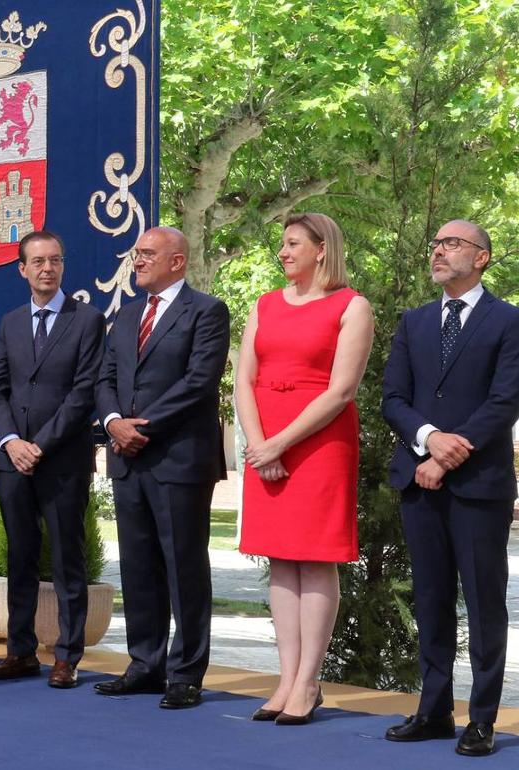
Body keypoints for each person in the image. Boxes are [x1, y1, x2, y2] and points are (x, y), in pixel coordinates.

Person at [381, 220, 519, 757]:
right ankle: (434, 710)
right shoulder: (413, 322)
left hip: (477, 486)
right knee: (431, 599)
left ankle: (482, 718)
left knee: (485, 605)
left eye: (453, 243)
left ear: (482, 258)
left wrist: (451, 453)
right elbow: (394, 397)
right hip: (419, 479)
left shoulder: (508, 321)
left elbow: (505, 400)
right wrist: (430, 439)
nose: (438, 250)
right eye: (435, 243)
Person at [236, 213, 373, 725]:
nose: (282, 251)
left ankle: (309, 682)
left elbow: (342, 391)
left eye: (292, 243)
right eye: (281, 243)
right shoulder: (265, 304)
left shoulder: (351, 306)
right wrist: (257, 446)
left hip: (319, 441)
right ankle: (286, 678)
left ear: (322, 249)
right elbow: (243, 378)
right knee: (280, 558)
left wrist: (280, 445)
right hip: (265, 437)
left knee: (314, 557)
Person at [94, 225, 229, 709]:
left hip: (177, 458)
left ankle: (185, 672)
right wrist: (113, 423)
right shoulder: (126, 316)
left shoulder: (208, 312)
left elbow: (198, 382)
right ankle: (144, 665)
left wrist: (139, 429)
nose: (138, 261)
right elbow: (104, 377)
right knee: (138, 566)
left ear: (177, 261)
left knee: (183, 565)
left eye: (147, 254)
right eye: (136, 254)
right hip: (127, 459)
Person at [0, 231, 105, 689]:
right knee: (20, 556)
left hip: (62, 462)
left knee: (67, 559)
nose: (47, 269)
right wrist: (12, 440)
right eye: (37, 262)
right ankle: (20, 651)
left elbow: (83, 393)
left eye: (55, 260)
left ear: (63, 266)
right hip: (12, 459)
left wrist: (41, 445)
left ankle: (67, 656)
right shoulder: (11, 322)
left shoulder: (87, 320)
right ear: (22, 269)